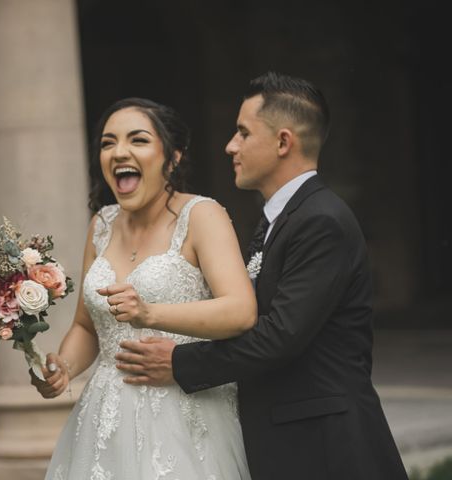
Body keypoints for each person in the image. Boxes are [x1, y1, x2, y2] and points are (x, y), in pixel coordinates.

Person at [115, 72, 409, 480]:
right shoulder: (278, 219)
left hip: (327, 445)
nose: (230, 146)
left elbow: (281, 336)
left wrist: (180, 362)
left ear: (283, 142)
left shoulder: (322, 221)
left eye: (242, 133)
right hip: (286, 438)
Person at [30, 97, 256, 479]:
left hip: (186, 412)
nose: (119, 152)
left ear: (173, 157)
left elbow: (240, 311)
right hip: (106, 419)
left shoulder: (202, 216)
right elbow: (87, 327)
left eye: (137, 140)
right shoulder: (101, 224)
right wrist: (63, 367)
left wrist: (150, 313)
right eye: (107, 143)